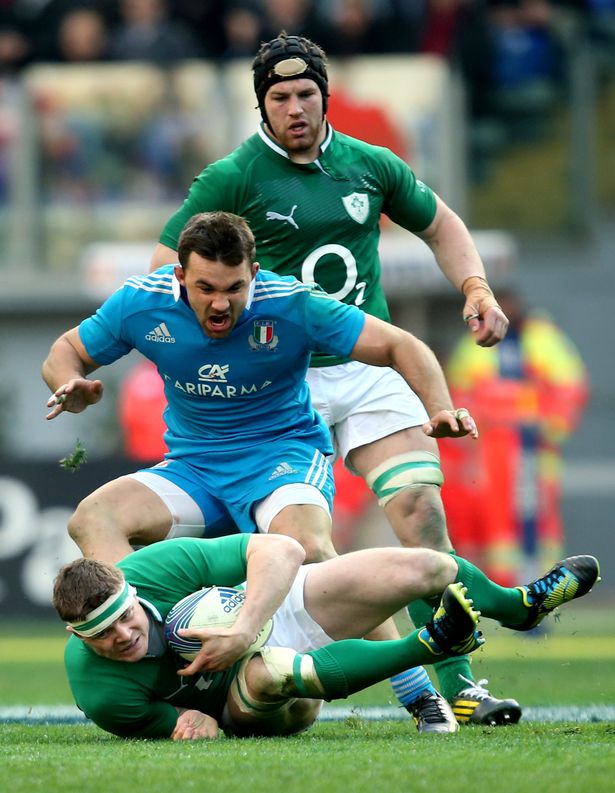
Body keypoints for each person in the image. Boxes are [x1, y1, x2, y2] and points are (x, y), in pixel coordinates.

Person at [149, 32, 513, 728]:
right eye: (279, 97)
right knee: (313, 549)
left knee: (421, 516)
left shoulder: (369, 164)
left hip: (371, 364)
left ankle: (463, 686)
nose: (294, 108)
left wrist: (474, 287)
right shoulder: (231, 178)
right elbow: (167, 270)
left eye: (305, 95)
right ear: (262, 104)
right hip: (281, 384)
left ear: (325, 96)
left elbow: (442, 225)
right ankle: (407, 690)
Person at [42, 210, 479, 731]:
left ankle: (417, 692)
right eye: (205, 287)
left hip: (281, 455)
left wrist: (440, 407)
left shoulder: (290, 304)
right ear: (178, 276)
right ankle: (160, 639)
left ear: (255, 272)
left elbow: (399, 344)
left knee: (312, 548)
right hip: (194, 466)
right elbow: (67, 350)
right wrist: (71, 382)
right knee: (92, 517)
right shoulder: (142, 302)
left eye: (235, 287)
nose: (221, 302)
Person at [51, 532, 600, 740]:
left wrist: (243, 628)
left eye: (127, 616)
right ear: (77, 635)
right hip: (251, 701)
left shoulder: (155, 569)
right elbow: (194, 730)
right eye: (101, 634)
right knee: (271, 673)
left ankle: (518, 607)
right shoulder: (101, 692)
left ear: (130, 589)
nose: (123, 635)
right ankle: (430, 650)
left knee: (426, 569)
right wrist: (190, 724)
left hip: (258, 613)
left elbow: (285, 549)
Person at [440, 288, 589, 589]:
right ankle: (508, 593)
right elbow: (458, 394)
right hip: (491, 451)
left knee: (539, 521)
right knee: (497, 527)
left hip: (533, 447)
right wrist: (472, 441)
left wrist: (548, 426)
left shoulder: (542, 338)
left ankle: (546, 587)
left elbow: (570, 387)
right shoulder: (475, 343)